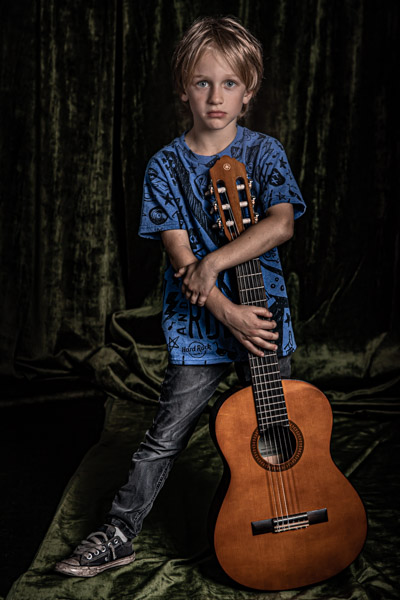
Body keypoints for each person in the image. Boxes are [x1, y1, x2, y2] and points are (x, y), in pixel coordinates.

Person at [55, 15, 306, 578]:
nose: (215, 97)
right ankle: (120, 532)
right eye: (202, 82)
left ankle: (268, 520)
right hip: (200, 328)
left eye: (229, 84)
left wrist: (216, 262)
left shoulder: (265, 153)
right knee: (162, 439)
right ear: (182, 86)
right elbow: (178, 259)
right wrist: (226, 313)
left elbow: (282, 223)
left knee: (277, 433)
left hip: (263, 319)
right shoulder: (165, 167)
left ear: (250, 91)